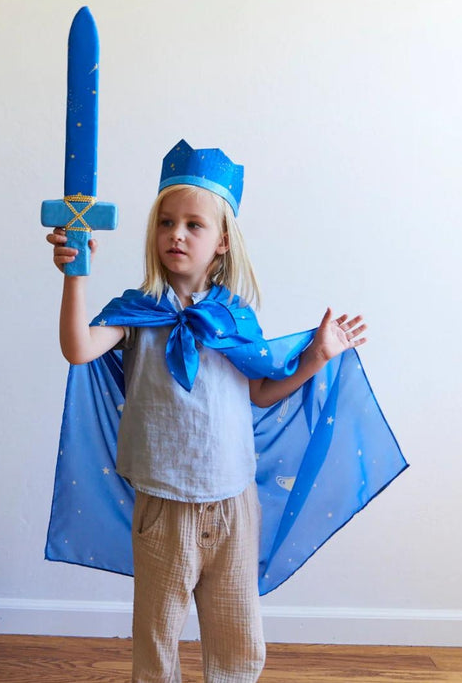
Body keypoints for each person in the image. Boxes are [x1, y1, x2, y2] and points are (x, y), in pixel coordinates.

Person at [47, 140, 368, 682]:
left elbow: (261, 391)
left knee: (237, 637)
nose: (177, 233)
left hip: (233, 504)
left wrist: (316, 356)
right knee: (157, 640)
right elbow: (78, 348)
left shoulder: (234, 317)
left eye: (194, 225)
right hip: (163, 504)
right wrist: (74, 275)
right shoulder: (136, 313)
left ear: (222, 241)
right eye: (166, 222)